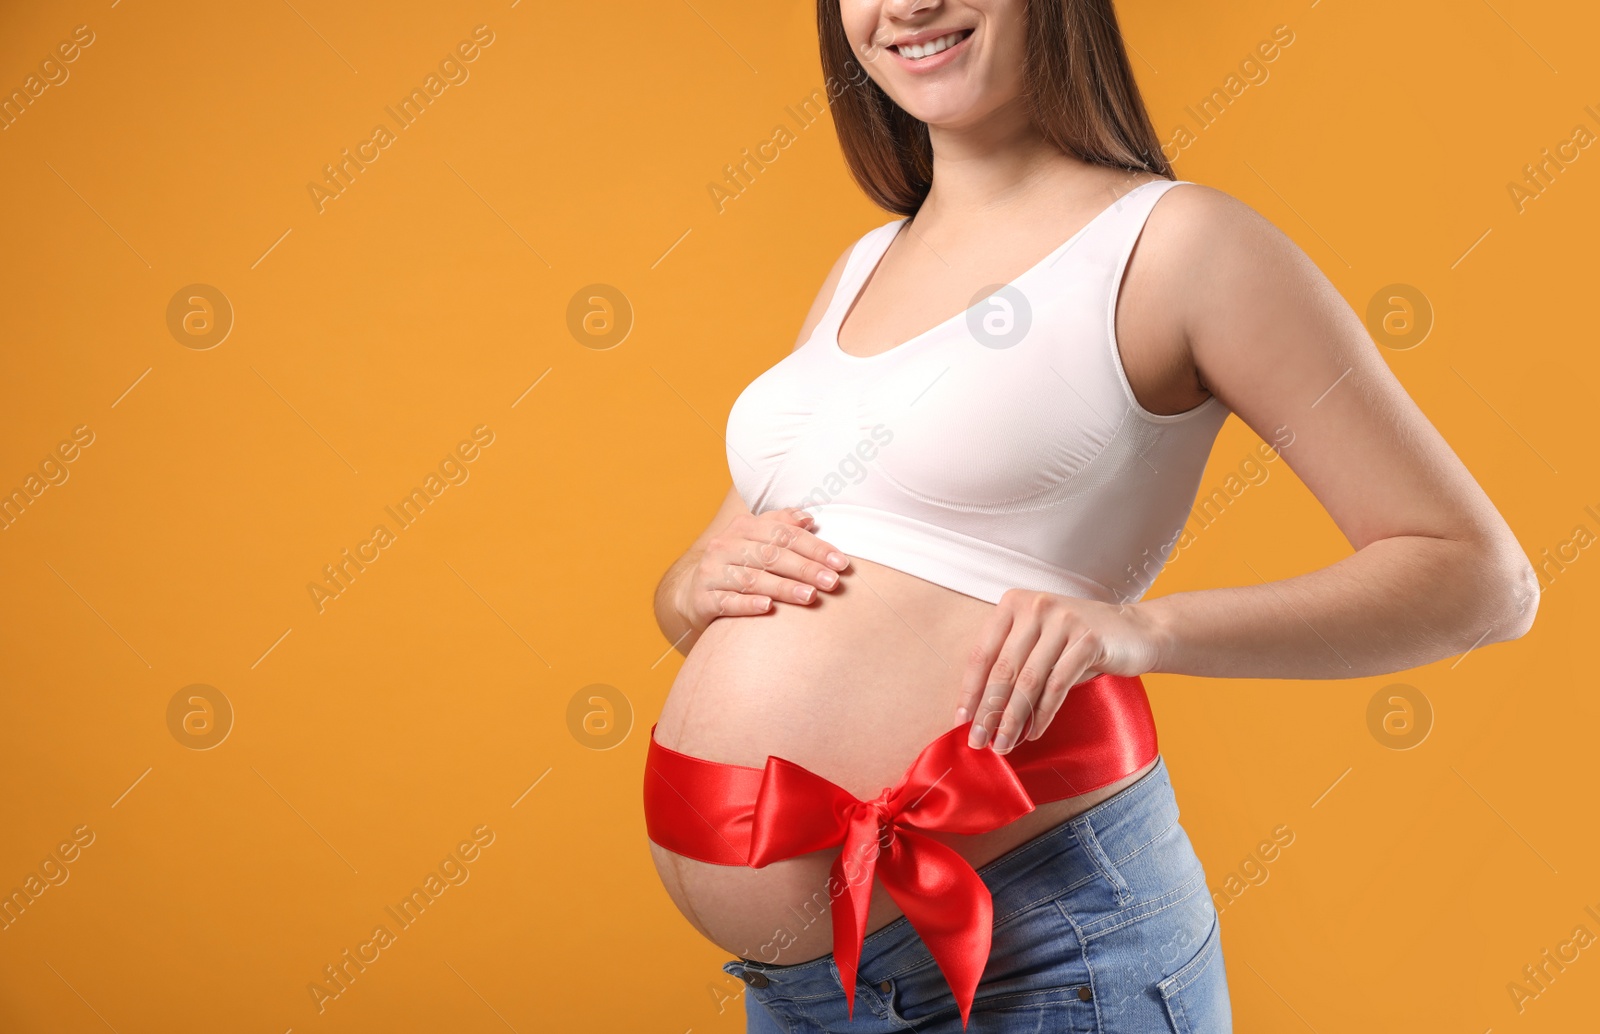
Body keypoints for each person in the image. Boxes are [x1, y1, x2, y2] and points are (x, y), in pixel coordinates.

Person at [645, 1, 1540, 1031]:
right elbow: (721, 589)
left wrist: (1138, 630)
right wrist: (685, 586)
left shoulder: (1177, 242)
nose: (909, 4)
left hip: (1041, 960)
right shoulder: (861, 266)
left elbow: (1480, 576)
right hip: (808, 994)